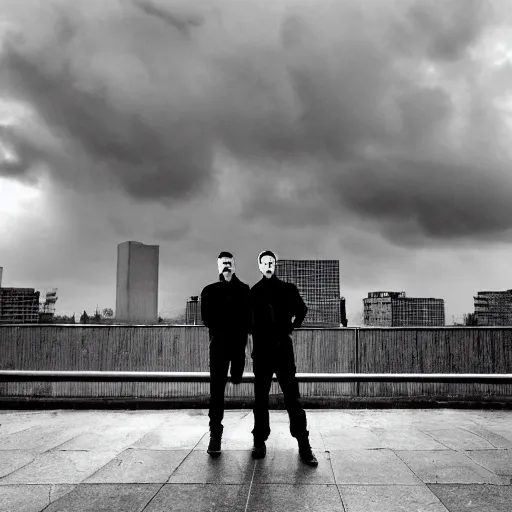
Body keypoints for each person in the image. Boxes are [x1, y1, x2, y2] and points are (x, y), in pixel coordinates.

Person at [249, 250, 318, 466]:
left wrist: (290, 326)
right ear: (259, 266)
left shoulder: (288, 289)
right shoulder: (254, 292)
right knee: (260, 400)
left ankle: (304, 445)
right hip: (262, 353)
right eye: (265, 262)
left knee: (293, 399)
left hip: (283, 352)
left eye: (271, 262)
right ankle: (259, 441)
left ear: (275, 264)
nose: (268, 265)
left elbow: (302, 309)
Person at [201, 251, 251, 457]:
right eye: (223, 264)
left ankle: (258, 437)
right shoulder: (209, 291)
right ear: (218, 267)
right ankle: (215, 435)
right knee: (217, 392)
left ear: (234, 265)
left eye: (229, 262)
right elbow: (207, 319)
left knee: (237, 378)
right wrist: (233, 320)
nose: (226, 266)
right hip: (219, 348)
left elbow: (248, 319)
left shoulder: (244, 290)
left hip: (237, 347)